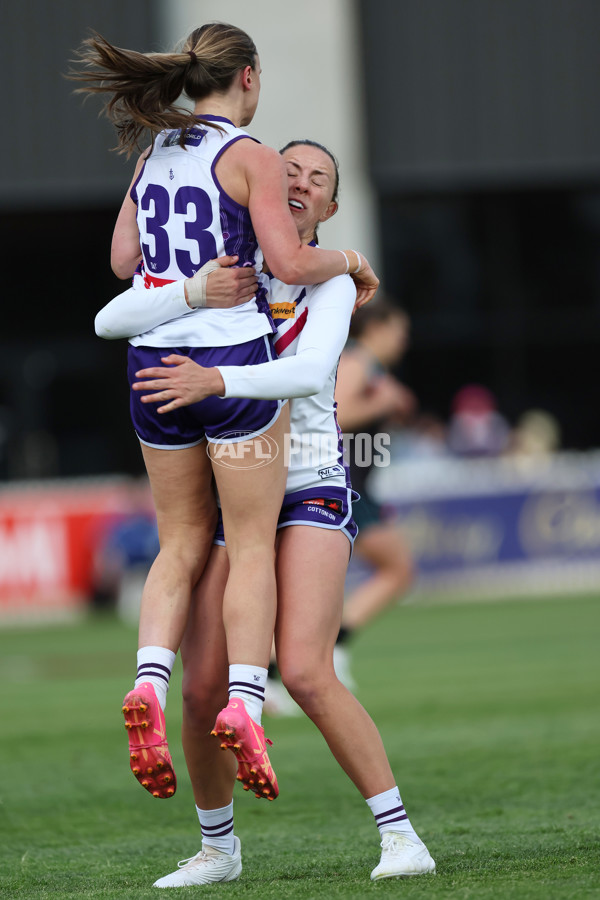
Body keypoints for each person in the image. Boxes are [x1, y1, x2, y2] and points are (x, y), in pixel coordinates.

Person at [96, 139, 436, 884]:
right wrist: (181, 298)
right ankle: (218, 849)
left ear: (332, 209)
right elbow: (119, 305)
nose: (299, 183)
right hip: (234, 486)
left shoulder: (333, 280)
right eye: (289, 171)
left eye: (317, 179)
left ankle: (401, 836)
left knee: (309, 672)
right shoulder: (231, 268)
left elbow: (311, 372)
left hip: (308, 481)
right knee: (199, 687)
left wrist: (210, 379)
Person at [71, 23, 378, 801]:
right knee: (246, 544)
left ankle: (147, 680)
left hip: (153, 362)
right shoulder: (248, 156)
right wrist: (347, 258)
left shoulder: (153, 154)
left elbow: (119, 265)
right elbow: (288, 263)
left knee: (177, 543)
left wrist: (181, 287)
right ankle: (246, 700)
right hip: (229, 361)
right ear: (249, 77)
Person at [333, 300, 417, 688]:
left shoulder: (370, 368)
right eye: (399, 333)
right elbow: (336, 415)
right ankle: (333, 647)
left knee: (394, 568)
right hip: (346, 483)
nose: (403, 342)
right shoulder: (357, 363)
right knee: (396, 567)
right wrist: (384, 401)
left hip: (357, 483)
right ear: (377, 330)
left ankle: (278, 670)